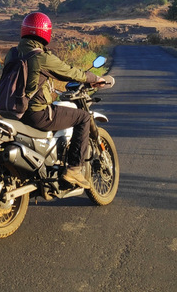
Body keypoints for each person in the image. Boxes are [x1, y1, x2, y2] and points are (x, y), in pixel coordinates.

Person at [12, 11, 107, 189]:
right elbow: (70, 72)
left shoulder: (13, 54)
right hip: (36, 113)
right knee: (83, 118)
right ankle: (74, 170)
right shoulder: (41, 57)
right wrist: (94, 78)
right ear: (45, 32)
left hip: (13, 112)